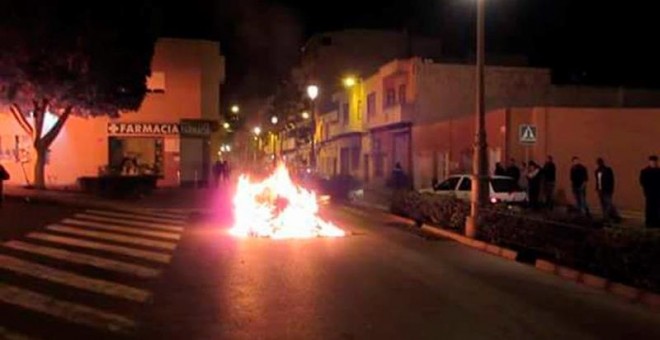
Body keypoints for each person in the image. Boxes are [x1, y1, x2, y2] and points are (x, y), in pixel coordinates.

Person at [595, 158, 620, 223]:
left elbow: (611, 180)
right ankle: (611, 215)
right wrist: (597, 188)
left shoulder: (607, 170)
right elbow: (597, 181)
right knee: (603, 204)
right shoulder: (597, 171)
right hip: (600, 190)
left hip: (607, 190)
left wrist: (611, 189)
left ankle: (607, 216)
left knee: (608, 203)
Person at [640, 155, 660, 228]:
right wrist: (647, 189)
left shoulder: (659, 171)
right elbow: (642, 181)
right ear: (649, 162)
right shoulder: (645, 171)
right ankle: (649, 222)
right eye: (652, 162)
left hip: (657, 193)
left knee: (657, 208)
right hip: (649, 193)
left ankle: (656, 222)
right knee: (649, 207)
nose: (653, 163)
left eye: (655, 162)